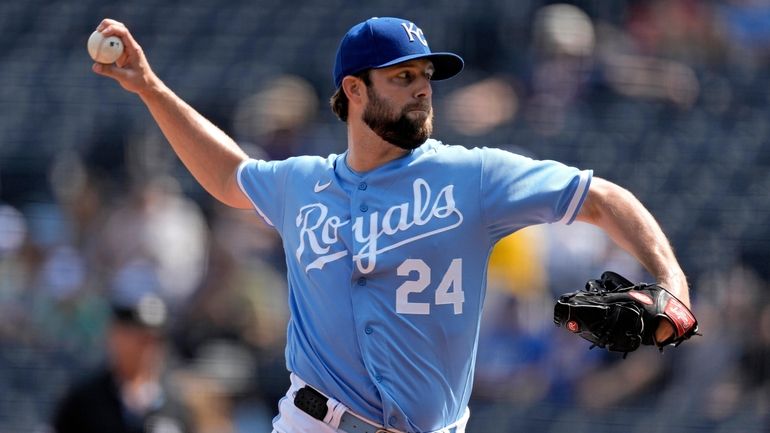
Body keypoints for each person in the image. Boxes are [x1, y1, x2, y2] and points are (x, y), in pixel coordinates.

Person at [91, 16, 690, 433]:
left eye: (426, 77)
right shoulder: (303, 184)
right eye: (402, 78)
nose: (422, 91)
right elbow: (229, 177)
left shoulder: (472, 176)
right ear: (354, 89)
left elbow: (602, 198)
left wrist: (671, 282)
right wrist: (148, 86)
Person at [52, 277, 194, 433]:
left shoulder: (175, 406)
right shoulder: (83, 403)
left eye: (155, 340)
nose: (148, 348)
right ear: (116, 338)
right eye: (140, 339)